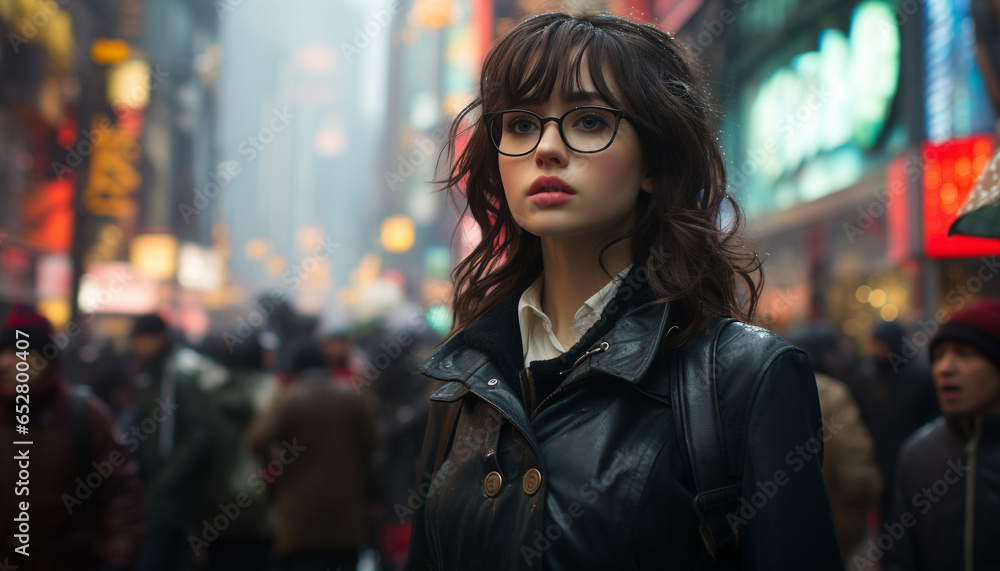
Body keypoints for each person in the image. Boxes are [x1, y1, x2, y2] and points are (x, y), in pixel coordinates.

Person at [404, 11, 842, 570]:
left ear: (654, 162)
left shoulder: (744, 377)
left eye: (589, 120)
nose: (546, 149)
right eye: (521, 124)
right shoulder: (462, 381)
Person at [0, 304, 144, 570]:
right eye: (2, 353)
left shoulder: (85, 415)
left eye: (20, 353)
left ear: (46, 359)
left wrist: (118, 560)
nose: (5, 363)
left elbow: (121, 496)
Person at [883, 298, 1000, 571]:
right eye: (938, 355)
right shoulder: (917, 454)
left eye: (965, 353)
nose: (945, 368)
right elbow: (900, 559)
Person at [246, 341, 378, 571]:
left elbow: (256, 440)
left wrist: (278, 461)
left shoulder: (287, 399)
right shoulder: (351, 396)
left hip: (300, 514)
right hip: (345, 512)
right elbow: (372, 442)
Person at [126, 313, 222, 571]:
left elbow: (200, 431)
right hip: (157, 483)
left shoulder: (179, 372)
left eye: (144, 338)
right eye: (136, 338)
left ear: (162, 338)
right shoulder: (151, 371)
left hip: (173, 491)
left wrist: (168, 475)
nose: (138, 345)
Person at [786, 329, 883, 565]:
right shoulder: (832, 394)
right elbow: (857, 476)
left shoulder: (762, 390)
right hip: (828, 530)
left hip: (773, 535)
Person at [848, 320, 939, 519]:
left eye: (881, 343)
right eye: (874, 343)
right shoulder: (866, 375)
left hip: (913, 455)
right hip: (878, 456)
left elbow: (933, 415)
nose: (875, 349)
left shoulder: (919, 375)